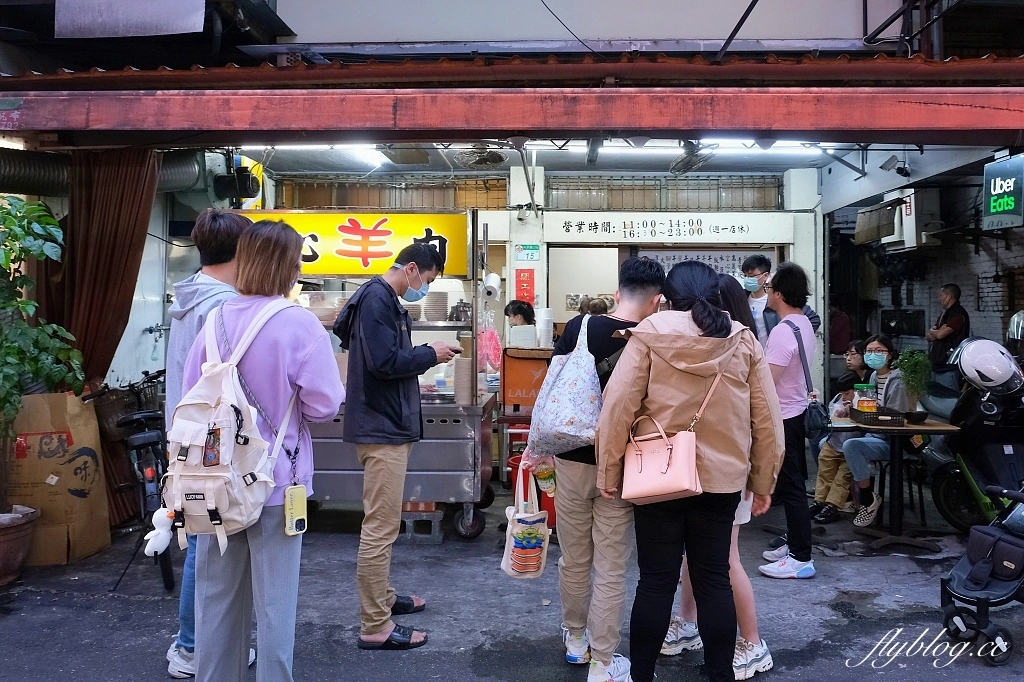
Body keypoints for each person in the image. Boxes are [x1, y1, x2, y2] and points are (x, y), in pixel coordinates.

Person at [596, 261, 785, 682]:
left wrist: (608, 470)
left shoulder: (647, 336)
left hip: (656, 477)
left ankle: (641, 674)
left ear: (666, 296)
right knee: (714, 580)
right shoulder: (744, 341)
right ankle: (719, 673)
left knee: (656, 581)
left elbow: (617, 407)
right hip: (721, 482)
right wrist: (763, 479)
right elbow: (768, 419)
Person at [183, 220, 345, 682]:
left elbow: (192, 396)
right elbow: (324, 404)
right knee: (275, 605)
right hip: (276, 483)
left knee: (215, 602)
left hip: (215, 480)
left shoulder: (214, 321)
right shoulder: (297, 322)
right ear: (289, 267)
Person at [540, 257, 665, 682]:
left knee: (574, 557)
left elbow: (552, 383)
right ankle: (604, 661)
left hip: (572, 456)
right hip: (621, 465)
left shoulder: (578, 327)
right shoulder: (651, 339)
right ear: (657, 301)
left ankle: (575, 640)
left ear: (617, 292)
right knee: (611, 565)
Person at [332, 242, 461, 650]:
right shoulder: (376, 298)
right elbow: (385, 362)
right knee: (380, 528)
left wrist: (417, 364)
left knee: (383, 524)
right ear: (410, 268)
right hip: (381, 429)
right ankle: (375, 625)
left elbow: (385, 361)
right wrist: (430, 353)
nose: (422, 287)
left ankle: (383, 599)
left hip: (386, 424)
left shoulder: (384, 300)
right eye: (425, 279)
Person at [661, 273, 775, 681]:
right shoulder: (720, 343)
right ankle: (688, 622)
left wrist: (761, 479)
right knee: (702, 557)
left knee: (724, 562)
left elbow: (764, 421)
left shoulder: (741, 346)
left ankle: (753, 641)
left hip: (731, 471)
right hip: (712, 470)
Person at [164, 209, 254, 679]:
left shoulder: (189, 296)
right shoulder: (218, 306)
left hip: (186, 434)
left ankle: (198, 643)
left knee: (205, 536)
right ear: (242, 251)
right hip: (210, 440)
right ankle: (193, 648)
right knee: (210, 539)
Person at [758, 262, 817, 580]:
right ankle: (795, 542)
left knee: (792, 488)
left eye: (768, 288)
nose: (766, 294)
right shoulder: (803, 323)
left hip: (782, 415)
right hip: (796, 411)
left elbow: (767, 382)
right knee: (791, 484)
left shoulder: (783, 331)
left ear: (778, 294)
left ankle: (801, 558)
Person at [843, 334, 916, 528]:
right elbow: (872, 407)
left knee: (851, 445)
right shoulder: (875, 375)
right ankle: (849, 498)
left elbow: (895, 417)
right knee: (836, 441)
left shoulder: (898, 380)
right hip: (876, 434)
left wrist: (869, 412)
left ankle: (867, 500)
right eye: (868, 351)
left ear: (890, 355)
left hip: (894, 441)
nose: (872, 355)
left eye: (878, 351)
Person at [808, 372, 861, 525]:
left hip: (850, 446)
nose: (844, 396)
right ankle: (819, 502)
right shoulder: (838, 399)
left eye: (847, 393)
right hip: (833, 443)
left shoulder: (862, 401)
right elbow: (830, 417)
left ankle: (833, 506)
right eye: (842, 393)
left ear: (856, 390)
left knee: (842, 477)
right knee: (825, 472)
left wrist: (852, 412)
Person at [740, 255, 820, 347]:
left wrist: (791, 339)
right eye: (745, 276)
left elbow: (813, 319)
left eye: (751, 276)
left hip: (773, 352)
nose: (747, 279)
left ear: (765, 275)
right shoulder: (742, 298)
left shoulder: (778, 299)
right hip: (752, 354)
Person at [926, 283, 970, 368]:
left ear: (949, 296)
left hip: (949, 364)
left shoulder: (958, 315)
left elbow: (939, 335)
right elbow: (928, 337)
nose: (939, 299)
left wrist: (932, 331)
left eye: (941, 295)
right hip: (938, 361)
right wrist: (935, 333)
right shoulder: (945, 314)